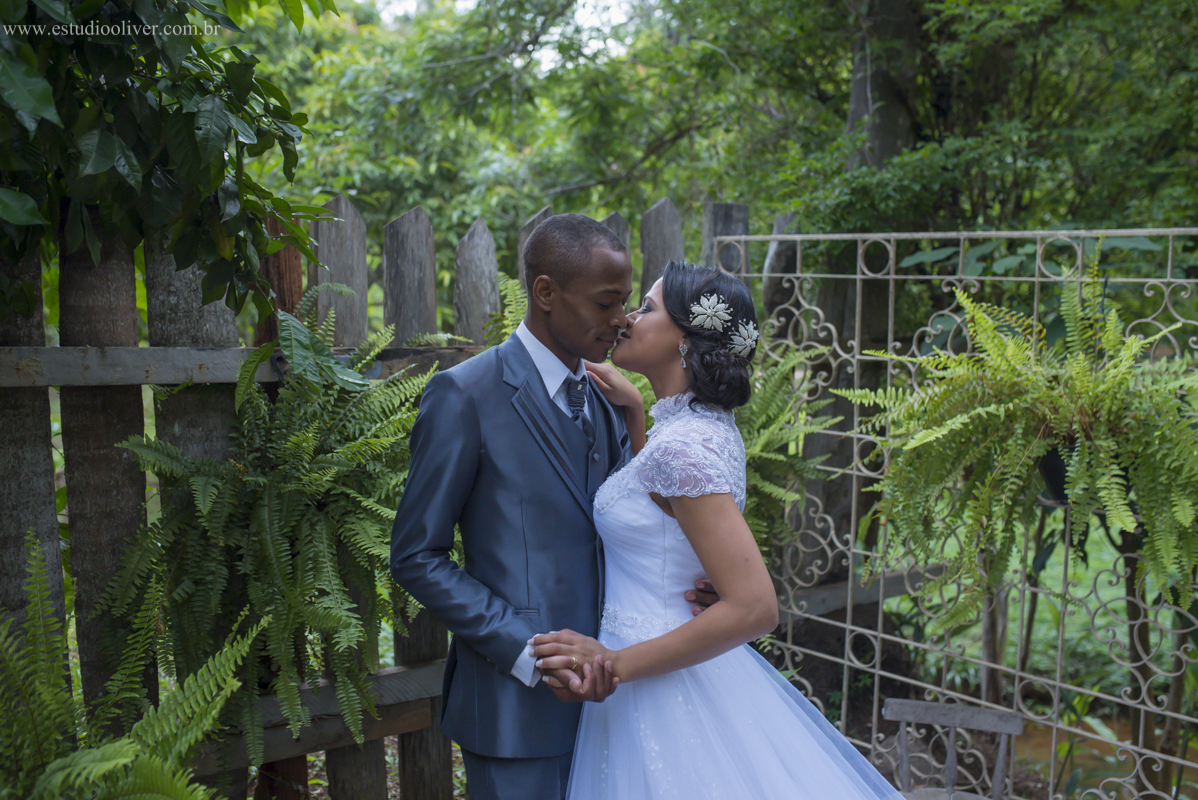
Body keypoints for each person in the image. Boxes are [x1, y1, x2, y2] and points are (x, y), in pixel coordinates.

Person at [532, 260, 905, 800]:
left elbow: (755, 607)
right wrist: (637, 417)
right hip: (671, 667)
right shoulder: (695, 429)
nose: (629, 319)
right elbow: (663, 522)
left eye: (649, 308)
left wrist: (612, 663)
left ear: (686, 339)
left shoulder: (683, 446)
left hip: (656, 686)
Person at [389, 216, 717, 800]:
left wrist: (694, 583)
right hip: (515, 710)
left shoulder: (609, 401)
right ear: (546, 293)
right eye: (606, 302)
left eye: (626, 302)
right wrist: (528, 653)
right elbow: (417, 555)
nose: (621, 320)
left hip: (621, 701)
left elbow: (633, 529)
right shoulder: (463, 396)